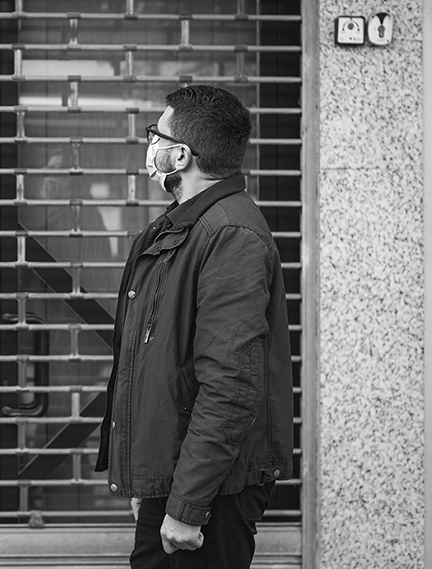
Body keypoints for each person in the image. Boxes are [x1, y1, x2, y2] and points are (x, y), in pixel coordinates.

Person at [94, 85, 294, 569]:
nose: (151, 147)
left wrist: (186, 506)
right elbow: (157, 361)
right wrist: (150, 484)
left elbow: (230, 384)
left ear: (180, 154)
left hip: (208, 492)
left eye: (155, 135)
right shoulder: (185, 227)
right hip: (180, 480)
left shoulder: (229, 235)